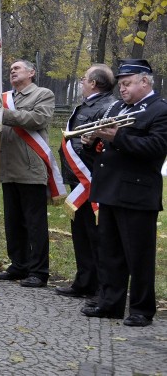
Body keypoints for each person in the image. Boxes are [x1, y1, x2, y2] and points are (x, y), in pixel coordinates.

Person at [81, 59, 167, 327]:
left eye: (128, 83)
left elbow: (155, 147)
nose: (123, 89)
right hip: (110, 189)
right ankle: (110, 303)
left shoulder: (159, 109)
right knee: (110, 252)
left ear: (145, 82)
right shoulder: (118, 107)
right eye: (120, 84)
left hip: (137, 193)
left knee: (138, 255)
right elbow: (103, 153)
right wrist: (91, 142)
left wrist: (116, 137)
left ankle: (141, 309)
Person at [55, 64, 115, 299]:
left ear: (94, 83)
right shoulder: (88, 104)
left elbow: (102, 143)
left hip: (92, 179)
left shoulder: (107, 106)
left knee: (96, 234)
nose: (81, 82)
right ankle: (84, 280)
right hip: (79, 179)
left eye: (84, 79)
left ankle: (101, 286)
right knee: (80, 232)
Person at [0, 59, 58, 288]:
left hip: (31, 167)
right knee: (13, 222)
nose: (12, 71)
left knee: (34, 223)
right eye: (11, 69)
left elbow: (37, 119)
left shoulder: (43, 94)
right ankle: (18, 264)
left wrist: (3, 114)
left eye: (17, 68)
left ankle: (39, 271)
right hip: (8, 166)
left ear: (31, 72)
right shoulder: (3, 98)